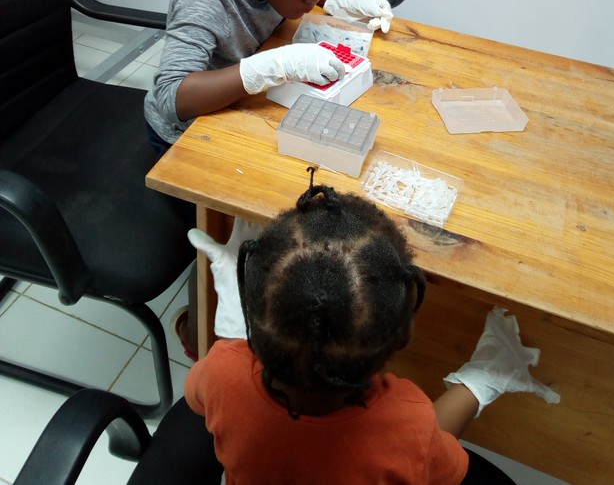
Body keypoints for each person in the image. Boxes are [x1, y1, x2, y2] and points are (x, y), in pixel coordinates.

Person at [144, 0, 394, 357]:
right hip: (181, 137)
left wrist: (337, 0)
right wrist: (266, 68)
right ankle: (203, 325)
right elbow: (172, 98)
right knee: (258, 229)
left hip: (236, 110)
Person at [185, 170, 560, 485]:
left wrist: (236, 337)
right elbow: (445, 470)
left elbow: (197, 401)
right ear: (403, 334)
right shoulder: (408, 420)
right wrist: (481, 382)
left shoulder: (222, 369)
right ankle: (489, 375)